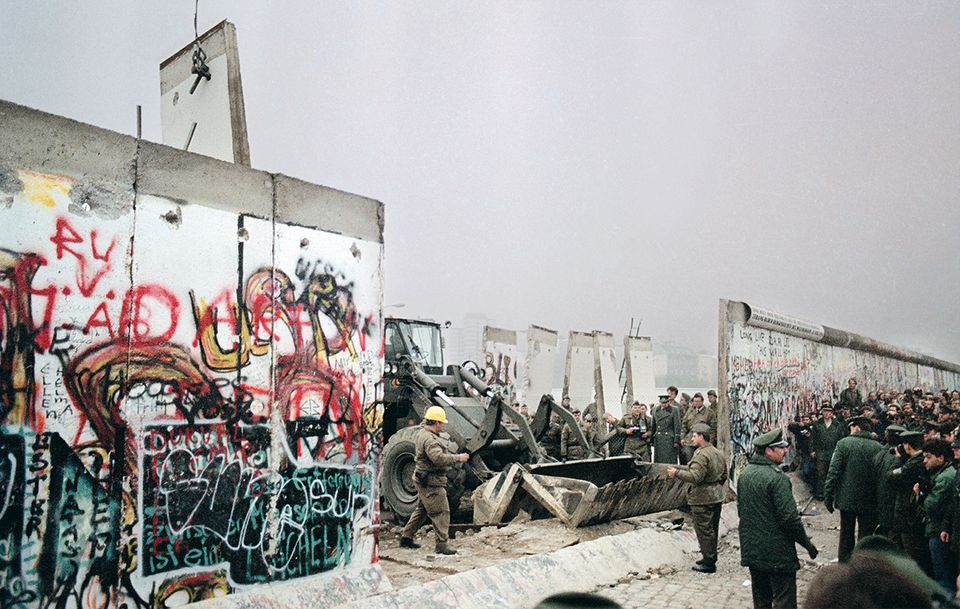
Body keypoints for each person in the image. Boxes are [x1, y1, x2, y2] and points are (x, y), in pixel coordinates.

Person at [738, 428, 818, 609]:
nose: (785, 451)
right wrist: (807, 545)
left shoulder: (745, 474)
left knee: (761, 600)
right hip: (778, 554)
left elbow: (743, 512)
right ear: (768, 451)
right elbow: (790, 519)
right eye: (780, 448)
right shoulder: (778, 479)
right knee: (784, 600)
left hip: (753, 550)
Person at [399, 406, 470, 555]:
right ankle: (441, 545)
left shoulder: (423, 433)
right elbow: (438, 458)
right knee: (441, 512)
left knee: (422, 510)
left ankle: (406, 537)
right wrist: (458, 458)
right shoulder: (430, 439)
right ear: (436, 422)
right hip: (431, 481)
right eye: (441, 423)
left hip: (424, 478)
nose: (442, 425)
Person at [667, 423, 727, 573]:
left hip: (702, 498)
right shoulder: (716, 452)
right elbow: (724, 475)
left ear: (701, 437)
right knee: (712, 528)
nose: (692, 438)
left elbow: (695, 477)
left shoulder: (701, 454)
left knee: (704, 531)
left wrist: (677, 473)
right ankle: (710, 556)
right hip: (716, 496)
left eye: (694, 435)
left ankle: (708, 562)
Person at [823, 416, 883, 562]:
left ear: (856, 428)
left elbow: (834, 471)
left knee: (846, 533)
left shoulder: (843, 444)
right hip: (870, 500)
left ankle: (844, 564)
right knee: (866, 534)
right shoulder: (879, 447)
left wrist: (828, 495)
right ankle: (862, 564)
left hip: (847, 499)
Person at [886, 430, 934, 575]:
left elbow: (891, 477)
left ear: (908, 445)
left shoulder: (914, 463)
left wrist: (898, 459)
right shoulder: (917, 460)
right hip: (906, 514)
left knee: (912, 555)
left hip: (909, 516)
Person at [915, 438, 957, 596]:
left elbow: (931, 505)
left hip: (939, 531)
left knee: (944, 578)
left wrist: (919, 495)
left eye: (928, 457)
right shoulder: (943, 474)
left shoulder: (945, 478)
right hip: (939, 529)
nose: (925, 461)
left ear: (941, 458)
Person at [809, 403, 844, 500]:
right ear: (822, 412)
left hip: (833, 452)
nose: (827, 414)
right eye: (825, 411)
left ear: (832, 413)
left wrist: (840, 452)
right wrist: (812, 450)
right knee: (821, 473)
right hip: (821, 452)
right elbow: (812, 439)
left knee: (832, 474)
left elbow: (841, 439)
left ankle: (831, 494)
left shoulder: (837, 425)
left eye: (829, 411)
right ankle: (821, 493)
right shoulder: (817, 424)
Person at [680, 393, 717, 463]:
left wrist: (710, 442)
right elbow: (684, 425)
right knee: (688, 455)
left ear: (702, 402)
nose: (696, 403)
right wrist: (682, 437)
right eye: (695, 401)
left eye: (698, 401)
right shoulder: (690, 411)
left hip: (703, 439)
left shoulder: (709, 413)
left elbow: (713, 429)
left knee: (702, 457)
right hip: (690, 439)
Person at [651, 394, 681, 464]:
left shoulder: (674, 410)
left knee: (669, 460)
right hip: (658, 438)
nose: (663, 405)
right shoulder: (655, 409)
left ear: (668, 402)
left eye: (665, 403)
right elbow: (653, 425)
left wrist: (676, 440)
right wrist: (652, 439)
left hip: (669, 438)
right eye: (662, 403)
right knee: (659, 460)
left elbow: (677, 425)